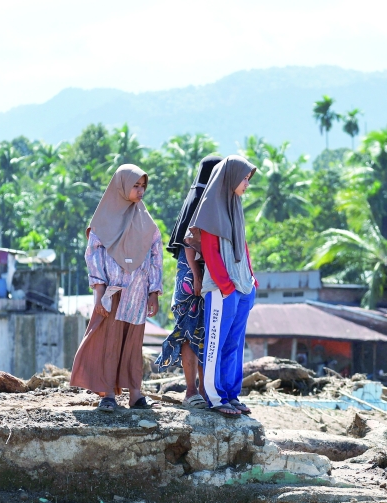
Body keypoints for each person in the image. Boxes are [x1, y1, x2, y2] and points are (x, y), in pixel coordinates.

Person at [71, 164, 162, 412]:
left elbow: (156, 256)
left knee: (134, 344)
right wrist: (99, 294)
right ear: (121, 186)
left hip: (138, 295)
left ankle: (135, 394)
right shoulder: (102, 222)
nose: (140, 190)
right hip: (114, 293)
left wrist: (154, 292)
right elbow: (94, 257)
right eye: (135, 185)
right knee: (109, 343)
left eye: (143, 186)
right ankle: (108, 394)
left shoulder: (147, 222)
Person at [184, 155, 258, 417]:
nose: (247, 183)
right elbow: (210, 251)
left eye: (249, 179)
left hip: (242, 286)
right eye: (244, 178)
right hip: (221, 287)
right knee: (216, 343)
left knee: (234, 344)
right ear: (230, 177)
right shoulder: (212, 207)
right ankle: (215, 397)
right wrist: (226, 286)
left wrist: (250, 278)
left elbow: (243, 245)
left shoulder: (235, 205)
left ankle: (230, 394)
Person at [156, 154, 222, 407]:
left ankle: (198, 392)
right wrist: (197, 276)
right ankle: (194, 392)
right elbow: (189, 244)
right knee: (195, 334)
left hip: (192, 276)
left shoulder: (195, 198)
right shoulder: (204, 202)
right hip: (196, 277)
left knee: (195, 333)